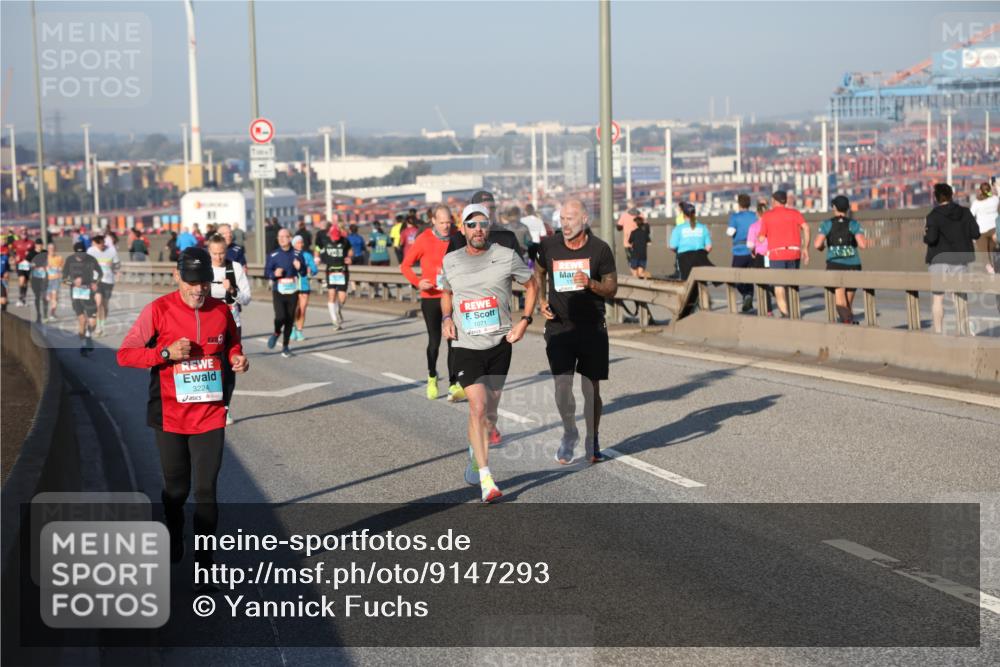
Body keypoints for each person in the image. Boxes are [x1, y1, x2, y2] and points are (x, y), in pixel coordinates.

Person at [117, 247, 248, 575]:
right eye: (191, 282)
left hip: (210, 414)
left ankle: (205, 567)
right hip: (170, 415)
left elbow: (232, 343)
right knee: (177, 490)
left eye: (203, 282)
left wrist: (236, 358)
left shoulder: (221, 310)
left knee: (206, 490)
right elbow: (125, 354)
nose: (198, 289)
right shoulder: (158, 310)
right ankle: (174, 531)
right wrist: (164, 352)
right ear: (177, 277)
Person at [439, 203, 537, 503]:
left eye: (482, 224)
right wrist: (446, 318)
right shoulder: (451, 261)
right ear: (463, 230)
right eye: (471, 225)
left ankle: (475, 450)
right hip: (465, 347)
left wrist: (525, 321)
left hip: (499, 345)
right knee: (478, 407)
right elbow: (447, 292)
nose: (477, 229)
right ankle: (485, 479)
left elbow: (532, 283)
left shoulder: (506, 256)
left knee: (490, 413)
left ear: (488, 228)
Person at [536, 199, 617, 465]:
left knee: (591, 389)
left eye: (570, 218)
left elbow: (612, 288)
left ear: (585, 220)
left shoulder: (600, 249)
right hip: (559, 327)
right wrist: (540, 301)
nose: (564, 223)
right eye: (562, 218)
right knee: (562, 387)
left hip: (592, 327)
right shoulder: (549, 245)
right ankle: (570, 432)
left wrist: (591, 283)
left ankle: (592, 439)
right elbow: (538, 271)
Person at [401, 203, 462, 401]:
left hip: (452, 296)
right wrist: (418, 282)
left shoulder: (457, 237)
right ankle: (432, 376)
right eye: (442, 222)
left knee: (454, 341)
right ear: (433, 221)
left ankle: (453, 384)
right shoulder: (424, 239)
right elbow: (405, 266)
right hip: (431, 298)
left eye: (448, 222)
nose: (446, 226)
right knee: (435, 342)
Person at [207, 234, 251, 426]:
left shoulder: (235, 267)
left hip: (232, 323)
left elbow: (247, 299)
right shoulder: (204, 269)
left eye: (222, 253)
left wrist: (232, 290)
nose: (218, 257)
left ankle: (225, 407)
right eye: (215, 253)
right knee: (211, 366)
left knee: (229, 367)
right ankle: (209, 406)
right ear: (209, 252)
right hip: (208, 325)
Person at [924, 183, 980, 334]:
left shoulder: (933, 216)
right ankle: (962, 332)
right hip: (959, 259)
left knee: (938, 298)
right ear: (951, 195)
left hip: (938, 260)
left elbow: (932, 238)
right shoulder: (965, 212)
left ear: (936, 198)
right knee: (960, 297)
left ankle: (938, 332)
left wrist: (925, 236)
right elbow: (976, 233)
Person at [815, 195, 868, 324]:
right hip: (854, 265)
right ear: (847, 208)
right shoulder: (854, 224)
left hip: (835, 265)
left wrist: (823, 247)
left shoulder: (827, 224)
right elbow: (863, 245)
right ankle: (849, 323)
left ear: (834, 207)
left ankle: (848, 322)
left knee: (840, 301)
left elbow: (817, 244)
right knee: (848, 302)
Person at [758, 190, 810, 317]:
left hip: (777, 254)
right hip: (794, 252)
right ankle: (794, 312)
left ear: (774, 201)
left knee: (779, 285)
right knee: (792, 283)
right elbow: (806, 228)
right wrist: (805, 248)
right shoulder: (795, 213)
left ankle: (785, 314)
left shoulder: (767, 215)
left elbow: (761, 238)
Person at [264, 228, 304, 357]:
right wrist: (273, 274)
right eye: (279, 237)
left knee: (289, 319)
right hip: (278, 291)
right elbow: (266, 273)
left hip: (293, 291)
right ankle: (276, 333)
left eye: (284, 236)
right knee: (280, 316)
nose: (281, 239)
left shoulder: (297, 254)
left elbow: (303, 272)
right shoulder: (273, 255)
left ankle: (285, 346)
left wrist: (300, 267)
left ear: (290, 238)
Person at [447, 191, 521, 256]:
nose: (489, 212)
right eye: (483, 208)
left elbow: (519, 268)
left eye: (492, 208)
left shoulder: (508, 237)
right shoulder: (458, 239)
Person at [63, 241, 103, 355]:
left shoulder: (91, 259)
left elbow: (100, 273)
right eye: (78, 255)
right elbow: (63, 279)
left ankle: (88, 335)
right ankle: (83, 345)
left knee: (93, 323)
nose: (80, 257)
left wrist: (95, 282)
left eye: (82, 254)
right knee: (82, 320)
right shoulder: (70, 260)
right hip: (76, 294)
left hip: (89, 293)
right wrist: (73, 282)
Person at [317, 222, 353, 330]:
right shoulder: (324, 240)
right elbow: (317, 248)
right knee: (331, 295)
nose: (335, 239)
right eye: (333, 238)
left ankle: (338, 310)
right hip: (330, 271)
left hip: (342, 271)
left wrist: (350, 258)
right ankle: (334, 320)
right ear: (330, 235)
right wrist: (316, 257)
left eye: (337, 238)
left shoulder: (345, 241)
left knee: (342, 298)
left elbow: (351, 251)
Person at [727, 194, 757, 312]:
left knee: (736, 277)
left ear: (739, 204)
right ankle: (748, 299)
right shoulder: (755, 216)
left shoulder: (735, 217)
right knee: (749, 277)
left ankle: (746, 295)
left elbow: (730, 232)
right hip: (753, 251)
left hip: (739, 251)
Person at [87, 234, 121, 336]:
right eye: (98, 244)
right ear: (95, 244)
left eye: (101, 243)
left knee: (105, 305)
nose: (100, 246)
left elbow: (118, 264)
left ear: (103, 242)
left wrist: (114, 267)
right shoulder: (91, 251)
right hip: (96, 280)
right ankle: (98, 327)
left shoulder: (112, 251)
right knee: (98, 303)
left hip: (108, 281)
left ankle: (102, 325)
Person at [670, 201, 713, 281]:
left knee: (687, 282)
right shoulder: (703, 227)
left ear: (683, 215)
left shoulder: (678, 229)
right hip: (700, 258)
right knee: (701, 282)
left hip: (684, 259)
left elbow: (672, 246)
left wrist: (679, 251)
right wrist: (702, 254)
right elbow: (709, 247)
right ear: (694, 214)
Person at [292, 234, 319, 340]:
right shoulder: (290, 255)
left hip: (304, 285)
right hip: (293, 286)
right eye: (298, 242)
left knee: (303, 309)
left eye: (301, 242)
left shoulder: (307, 255)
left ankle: (299, 331)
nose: (301, 244)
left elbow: (315, 269)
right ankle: (293, 328)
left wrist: (311, 270)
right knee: (295, 309)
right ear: (294, 244)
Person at [970, 182, 998, 270]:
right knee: (993, 251)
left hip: (981, 231)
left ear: (980, 191)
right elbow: (990, 194)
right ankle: (996, 268)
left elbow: (970, 215)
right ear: (989, 189)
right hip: (994, 229)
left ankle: (990, 269)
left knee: (985, 254)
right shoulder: (995, 199)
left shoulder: (976, 203)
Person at [12, 232, 35, 307]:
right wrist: (15, 256)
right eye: (22, 233)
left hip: (27, 264)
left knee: (25, 282)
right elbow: (11, 251)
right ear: (20, 235)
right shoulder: (16, 243)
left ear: (27, 234)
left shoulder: (31, 243)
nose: (24, 235)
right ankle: (20, 298)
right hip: (20, 263)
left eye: (25, 233)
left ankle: (23, 299)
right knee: (21, 280)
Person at [28, 239, 49, 323]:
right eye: (38, 245)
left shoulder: (45, 252)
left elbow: (50, 262)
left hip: (44, 278)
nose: (39, 246)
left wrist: (46, 266)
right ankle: (38, 315)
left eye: (41, 245)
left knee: (44, 296)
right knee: (37, 297)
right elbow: (25, 265)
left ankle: (45, 315)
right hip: (35, 279)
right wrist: (31, 266)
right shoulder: (31, 254)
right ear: (35, 245)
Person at [627, 213, 652, 278]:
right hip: (643, 255)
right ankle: (647, 276)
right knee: (640, 273)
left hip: (635, 255)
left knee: (635, 274)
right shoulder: (645, 233)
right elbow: (649, 242)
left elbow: (629, 241)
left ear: (636, 224)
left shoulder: (633, 232)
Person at [45, 243, 63, 321]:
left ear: (55, 249)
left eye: (53, 248)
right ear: (48, 249)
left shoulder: (59, 258)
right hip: (46, 280)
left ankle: (52, 313)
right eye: (50, 248)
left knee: (55, 297)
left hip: (56, 280)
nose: (51, 250)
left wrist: (58, 269)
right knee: (48, 298)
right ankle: (47, 313)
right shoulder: (45, 258)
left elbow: (62, 269)